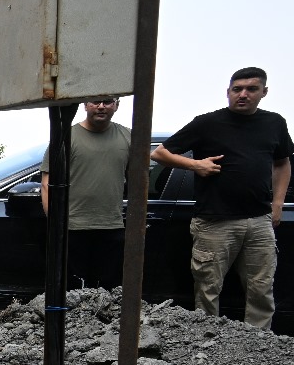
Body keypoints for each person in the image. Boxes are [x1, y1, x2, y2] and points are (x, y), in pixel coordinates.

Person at [153, 67, 292, 329]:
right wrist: (196, 165)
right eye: (237, 89)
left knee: (261, 290)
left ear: (264, 92)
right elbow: (160, 154)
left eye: (251, 89)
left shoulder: (274, 123)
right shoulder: (208, 123)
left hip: (259, 221)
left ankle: (258, 346)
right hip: (214, 222)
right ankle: (208, 346)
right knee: (208, 289)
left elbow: (282, 163)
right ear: (227, 92)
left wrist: (277, 205)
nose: (243, 94)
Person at [37, 97, 131, 290]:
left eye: (107, 101)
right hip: (73, 228)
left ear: (117, 105)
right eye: (95, 101)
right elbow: (47, 182)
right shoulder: (66, 137)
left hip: (112, 227)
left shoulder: (128, 136)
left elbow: (140, 178)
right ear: (85, 105)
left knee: (108, 290)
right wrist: (55, 223)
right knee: (74, 290)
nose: (101, 106)